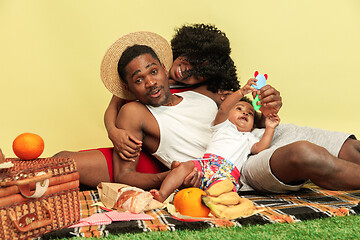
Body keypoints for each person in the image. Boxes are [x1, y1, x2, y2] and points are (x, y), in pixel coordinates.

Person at [150, 79, 280, 202]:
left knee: (224, 191)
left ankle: (207, 201)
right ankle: (162, 194)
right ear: (229, 114)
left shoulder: (249, 137)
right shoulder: (222, 126)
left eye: (250, 113)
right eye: (239, 108)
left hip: (227, 174)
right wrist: (241, 92)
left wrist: (270, 127)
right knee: (183, 167)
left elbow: (261, 148)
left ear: (253, 125)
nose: (245, 113)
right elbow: (223, 108)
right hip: (206, 163)